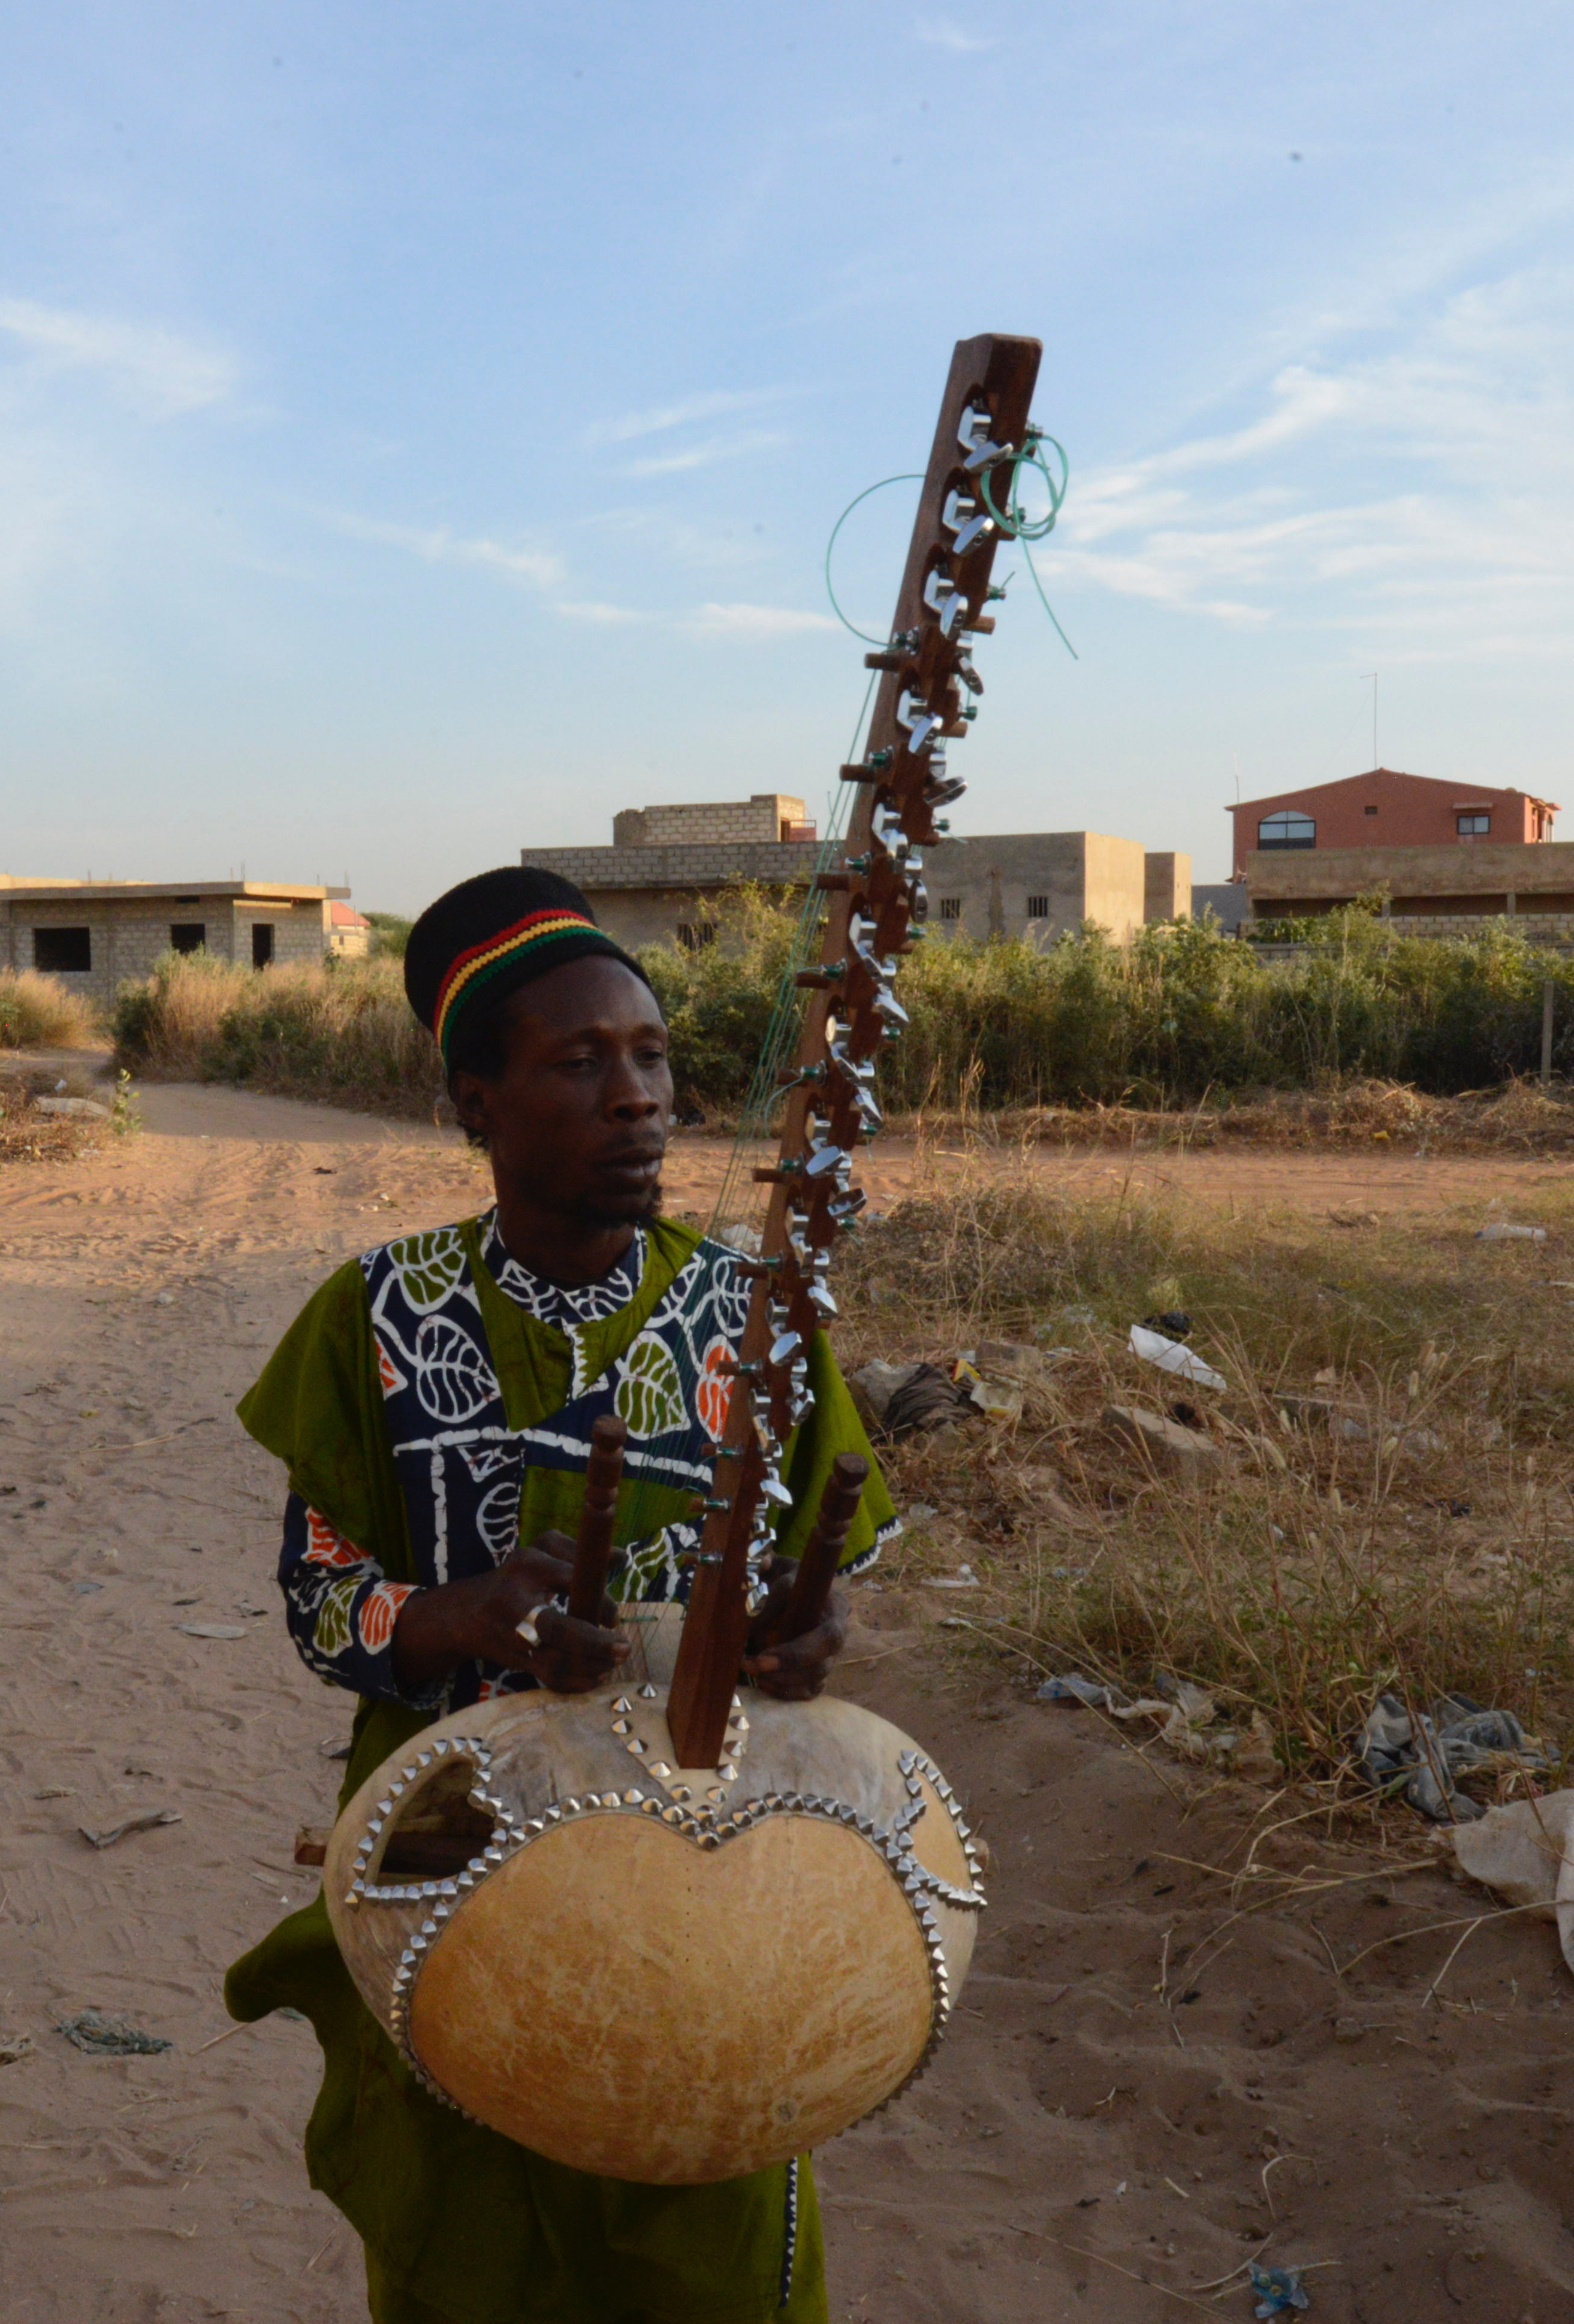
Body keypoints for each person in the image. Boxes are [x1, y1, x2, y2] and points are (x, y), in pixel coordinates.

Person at [222, 865, 894, 2324]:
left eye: (649, 1055)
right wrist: (460, 1617)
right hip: (453, 1867)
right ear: (474, 1102)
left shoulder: (750, 1316)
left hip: (701, 1877)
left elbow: (816, 1591)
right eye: (580, 1062)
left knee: (708, 2229)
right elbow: (321, 1600)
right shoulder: (376, 1316)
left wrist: (803, 1636)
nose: (635, 1096)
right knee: (474, 2248)